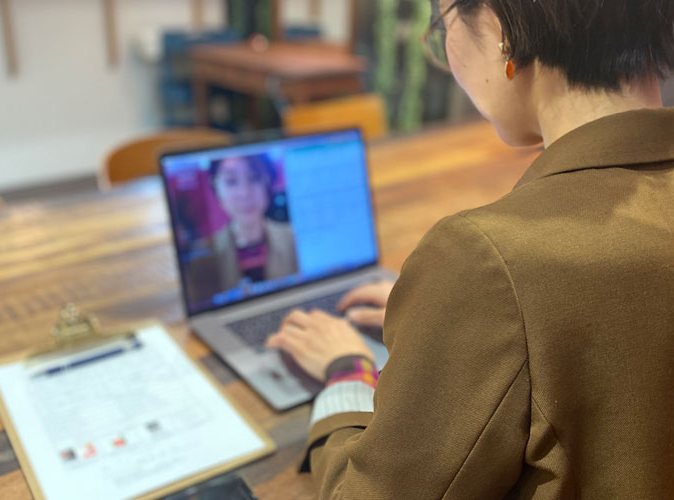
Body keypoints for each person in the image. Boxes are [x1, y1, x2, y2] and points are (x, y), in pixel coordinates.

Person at [265, 0, 674, 497]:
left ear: (501, 29)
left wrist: (346, 370)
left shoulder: (487, 258)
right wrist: (450, 312)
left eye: (441, 22)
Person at [209, 155, 298, 292]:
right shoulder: (208, 252)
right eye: (231, 181)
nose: (245, 193)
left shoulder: (295, 238)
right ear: (217, 190)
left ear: (268, 185)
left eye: (254, 178)